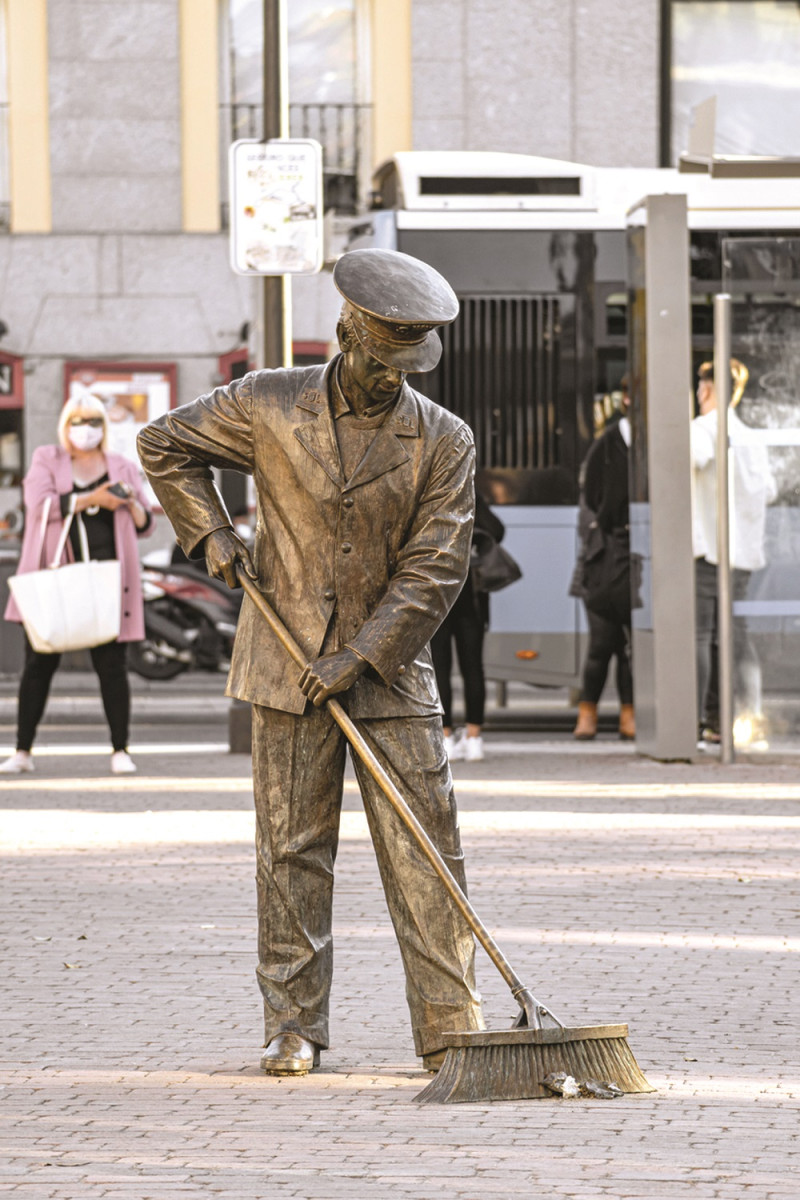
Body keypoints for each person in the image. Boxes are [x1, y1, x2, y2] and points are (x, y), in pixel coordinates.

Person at [137, 248, 485, 1077]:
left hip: (393, 675)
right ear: (346, 335)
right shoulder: (267, 402)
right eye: (377, 360)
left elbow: (436, 566)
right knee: (291, 850)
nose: (386, 379)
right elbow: (163, 444)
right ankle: (294, 1022)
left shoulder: (443, 439)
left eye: (404, 366)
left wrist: (362, 655)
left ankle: (450, 1025)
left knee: (424, 851)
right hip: (283, 663)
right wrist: (211, 532)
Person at [1, 394, 152, 775]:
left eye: (94, 421)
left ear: (104, 426)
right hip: (57, 574)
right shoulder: (47, 459)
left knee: (112, 666)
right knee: (40, 663)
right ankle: (22, 751)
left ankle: (121, 750)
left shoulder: (120, 464)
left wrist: (130, 502)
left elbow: (144, 523)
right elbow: (39, 506)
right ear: (66, 423)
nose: (86, 429)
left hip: (109, 577)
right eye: (78, 420)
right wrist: (93, 499)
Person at [691, 360, 775, 747]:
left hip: (708, 553)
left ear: (707, 389)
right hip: (743, 556)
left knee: (699, 636)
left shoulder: (703, 429)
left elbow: (695, 460)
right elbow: (770, 491)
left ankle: (694, 722)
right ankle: (749, 719)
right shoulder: (750, 437)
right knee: (736, 639)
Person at [570, 381, 635, 741]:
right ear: (625, 399)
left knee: (630, 648)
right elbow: (590, 500)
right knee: (601, 644)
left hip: (634, 559)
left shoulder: (651, 443)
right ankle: (588, 713)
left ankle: (629, 714)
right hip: (603, 558)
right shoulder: (606, 445)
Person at [430, 492, 504, 761]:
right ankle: (474, 738)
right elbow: (497, 530)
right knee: (473, 668)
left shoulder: (433, 499)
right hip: (472, 601)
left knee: (440, 668)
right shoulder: (472, 497)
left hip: (438, 599)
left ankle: (446, 736)